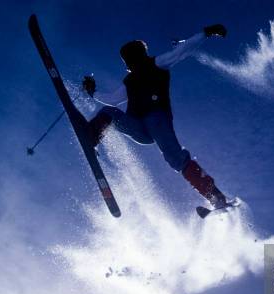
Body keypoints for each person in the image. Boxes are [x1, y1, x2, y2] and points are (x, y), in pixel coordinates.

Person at [83, 24, 229, 208]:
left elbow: (181, 51)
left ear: (137, 56)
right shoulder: (129, 81)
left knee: (175, 158)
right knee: (108, 113)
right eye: (126, 61)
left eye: (128, 59)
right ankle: (90, 137)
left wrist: (206, 33)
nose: (127, 64)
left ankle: (215, 196)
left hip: (157, 120)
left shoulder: (156, 63)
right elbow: (112, 100)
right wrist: (92, 92)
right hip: (139, 128)